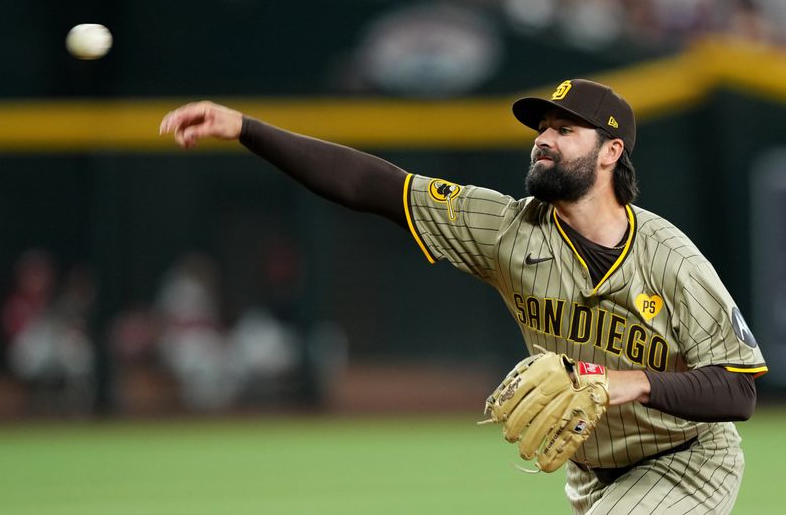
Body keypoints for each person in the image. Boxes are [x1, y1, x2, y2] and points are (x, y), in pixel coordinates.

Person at [160, 78, 767, 514]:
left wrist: (623, 382)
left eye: (564, 130)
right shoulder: (508, 229)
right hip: (592, 479)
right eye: (541, 129)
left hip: (685, 462)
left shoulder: (670, 259)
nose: (543, 140)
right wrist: (245, 129)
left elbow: (739, 389)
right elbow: (372, 186)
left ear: (612, 153)